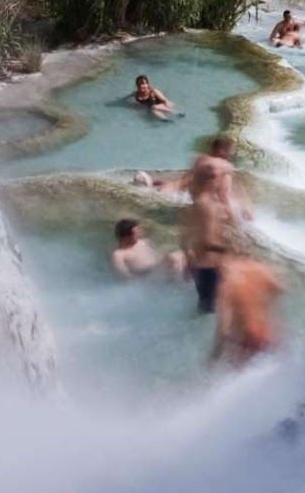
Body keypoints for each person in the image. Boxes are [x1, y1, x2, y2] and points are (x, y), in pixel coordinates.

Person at [152, 135, 251, 313]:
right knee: (212, 306)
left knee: (204, 303)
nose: (231, 155)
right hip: (208, 265)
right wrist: (235, 228)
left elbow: (184, 184)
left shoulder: (198, 161)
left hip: (197, 258)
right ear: (223, 150)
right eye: (230, 152)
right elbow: (225, 197)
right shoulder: (222, 169)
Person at [212, 253, 283, 366]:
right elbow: (279, 289)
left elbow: (224, 328)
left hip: (245, 339)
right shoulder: (262, 270)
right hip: (266, 333)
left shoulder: (228, 282)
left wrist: (214, 355)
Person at [111, 218, 187, 279]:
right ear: (126, 236)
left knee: (181, 255)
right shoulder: (119, 254)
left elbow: (157, 256)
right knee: (174, 258)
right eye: (136, 232)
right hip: (145, 277)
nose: (140, 233)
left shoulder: (143, 242)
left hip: (156, 270)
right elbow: (124, 274)